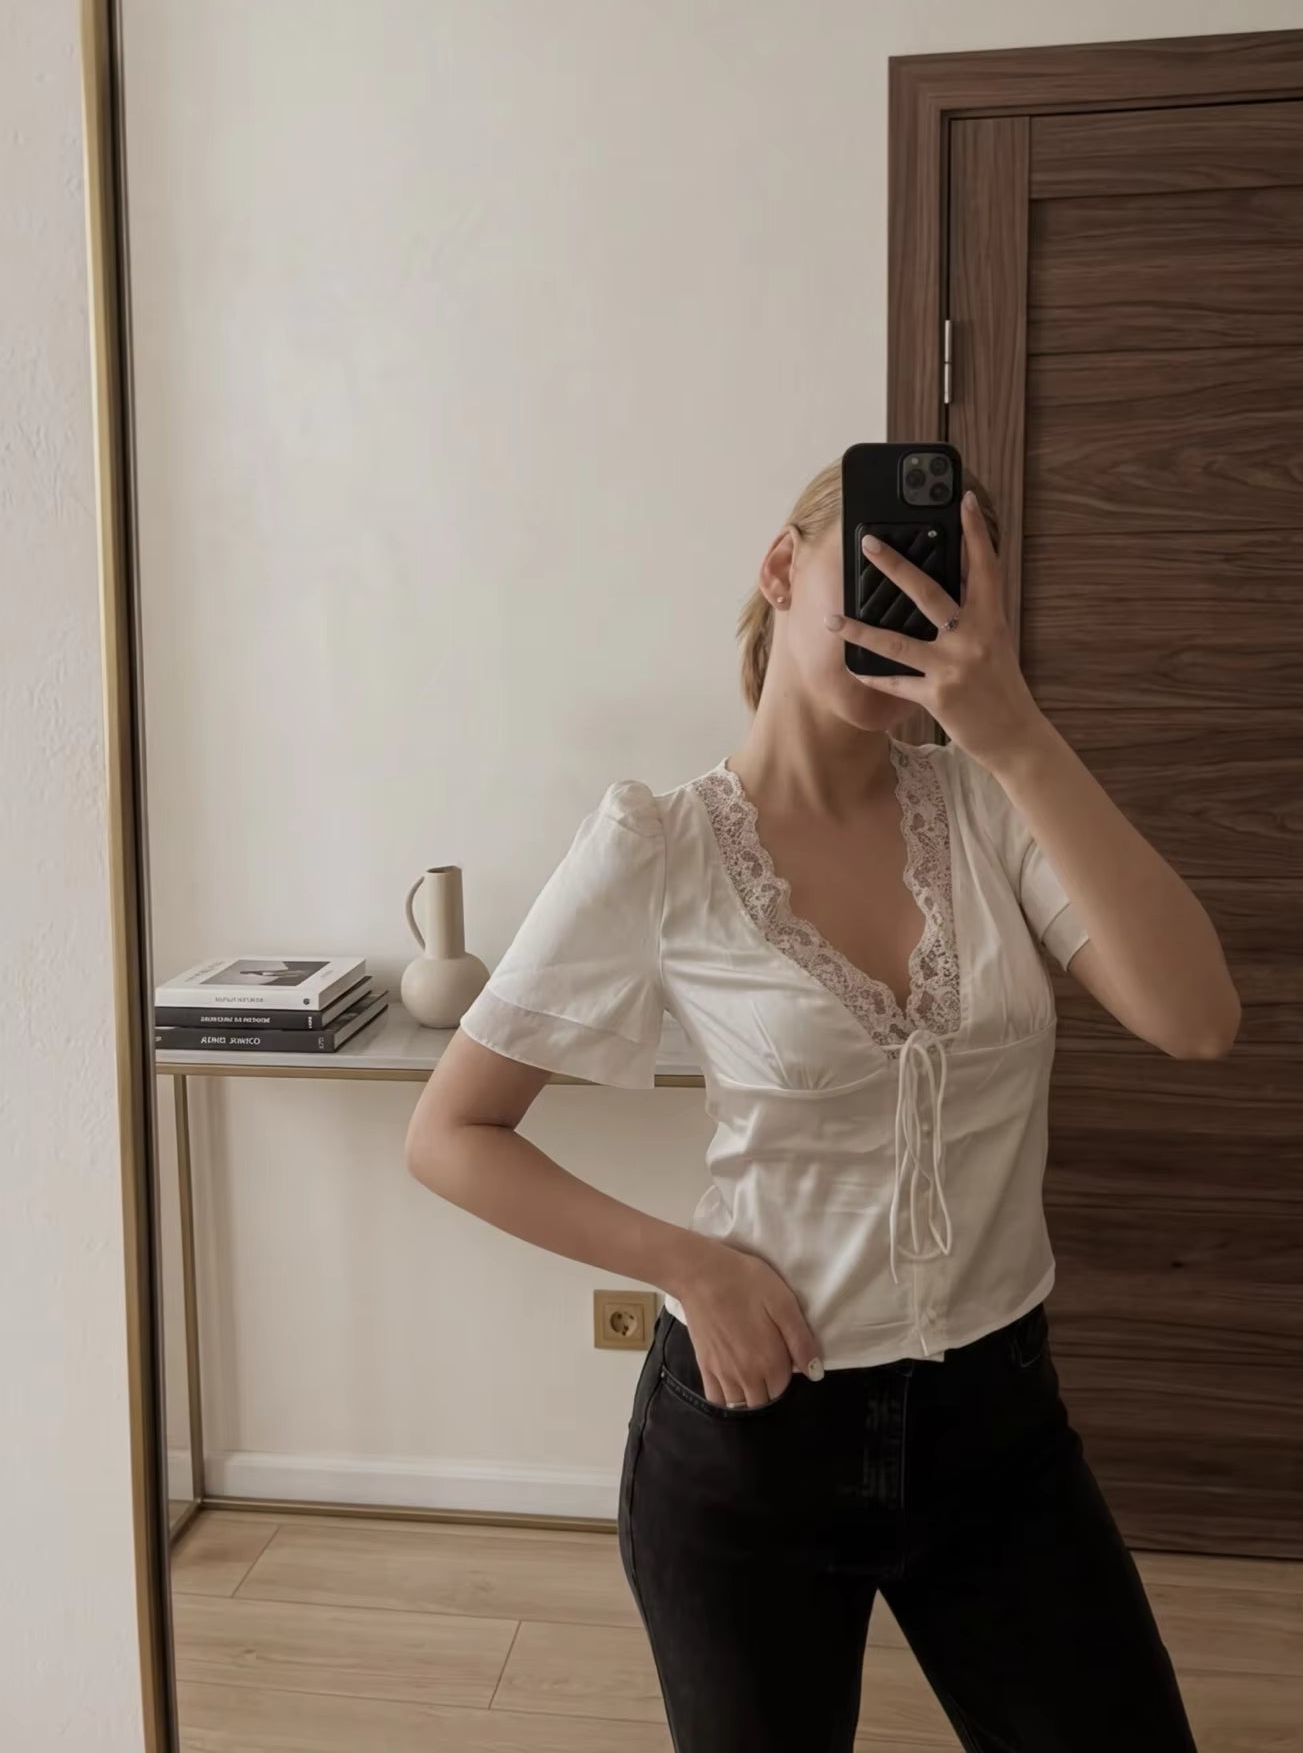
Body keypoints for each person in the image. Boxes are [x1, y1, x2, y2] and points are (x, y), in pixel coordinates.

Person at [405, 457, 1238, 1752]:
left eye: (944, 580)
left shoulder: (996, 808)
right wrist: (690, 1268)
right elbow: (449, 1134)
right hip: (752, 1434)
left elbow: (1197, 1019)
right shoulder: (660, 845)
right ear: (783, 569)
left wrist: (1014, 729)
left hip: (998, 1426)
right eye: (878, 560)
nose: (907, 599)